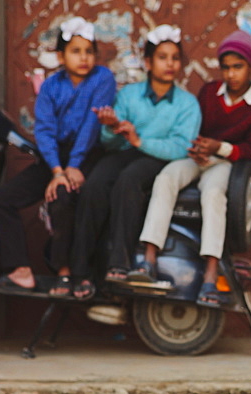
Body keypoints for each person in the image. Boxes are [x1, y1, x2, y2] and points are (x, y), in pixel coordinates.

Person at [138, 30, 251, 305]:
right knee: (166, 178)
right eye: (226, 67)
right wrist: (197, 149)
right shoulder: (209, 92)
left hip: (226, 163)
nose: (231, 74)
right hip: (197, 156)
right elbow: (193, 128)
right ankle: (148, 259)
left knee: (212, 194)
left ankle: (210, 275)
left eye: (238, 67)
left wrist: (218, 148)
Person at [0, 17, 116, 297]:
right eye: (76, 51)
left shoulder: (103, 78)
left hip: (89, 154)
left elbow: (90, 127)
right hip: (54, 157)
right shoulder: (50, 87)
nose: (84, 58)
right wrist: (57, 171)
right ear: (60, 56)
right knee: (3, 200)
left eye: (89, 51)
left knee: (64, 200)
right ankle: (19, 268)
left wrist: (74, 167)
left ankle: (69, 273)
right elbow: (44, 130)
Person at [69, 24, 201, 298]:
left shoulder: (188, 104)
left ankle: (119, 263)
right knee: (94, 184)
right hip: (125, 153)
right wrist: (111, 127)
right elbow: (111, 144)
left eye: (174, 58)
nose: (169, 64)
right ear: (148, 62)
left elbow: (180, 148)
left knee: (129, 180)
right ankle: (79, 272)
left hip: (160, 160)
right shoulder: (129, 95)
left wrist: (140, 141)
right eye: (162, 57)